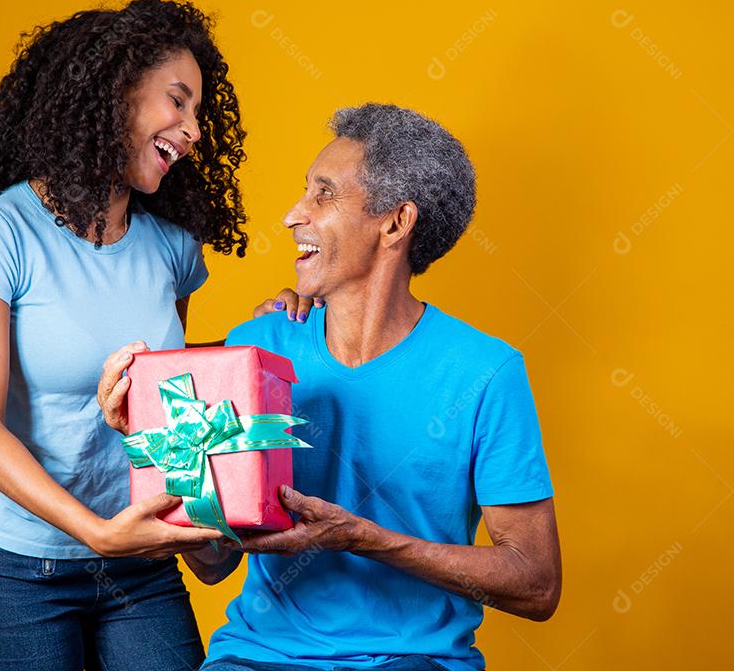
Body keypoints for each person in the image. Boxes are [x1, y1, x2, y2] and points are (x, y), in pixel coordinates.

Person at [99, 103, 561, 671]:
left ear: (395, 223)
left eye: (324, 195)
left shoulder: (485, 372)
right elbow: (215, 562)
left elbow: (536, 585)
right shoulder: (259, 347)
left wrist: (364, 538)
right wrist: (159, 443)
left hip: (413, 660)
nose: (294, 215)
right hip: (258, 658)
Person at [0, 0, 306, 671]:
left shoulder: (170, 247)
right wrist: (97, 534)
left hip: (141, 566)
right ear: (112, 92)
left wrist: (266, 337)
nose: (193, 131)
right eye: (177, 101)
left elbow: (172, 408)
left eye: (199, 113)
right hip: (21, 574)